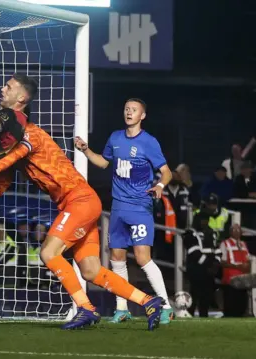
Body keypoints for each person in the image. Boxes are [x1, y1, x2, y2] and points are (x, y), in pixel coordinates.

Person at [0, 92, 164, 331]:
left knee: (48, 253)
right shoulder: (15, 147)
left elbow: (1, 164)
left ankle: (86, 308)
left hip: (79, 201)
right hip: (81, 202)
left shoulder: (30, 135)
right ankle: (149, 301)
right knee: (91, 270)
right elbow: (1, 184)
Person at [74, 98, 174, 324]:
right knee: (117, 258)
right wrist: (85, 150)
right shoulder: (115, 137)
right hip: (118, 206)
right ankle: (122, 309)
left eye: (134, 110)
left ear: (142, 116)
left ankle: (166, 305)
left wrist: (159, 186)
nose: (129, 113)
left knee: (142, 258)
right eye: (127, 109)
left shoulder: (149, 142)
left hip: (140, 207)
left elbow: (166, 171)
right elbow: (103, 162)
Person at [184, 212, 221, 318]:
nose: (205, 222)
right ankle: (189, 315)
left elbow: (217, 249)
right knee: (194, 294)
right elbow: (193, 252)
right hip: (196, 269)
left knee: (207, 295)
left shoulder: (212, 232)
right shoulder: (190, 233)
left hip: (209, 270)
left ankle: (204, 316)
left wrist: (216, 263)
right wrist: (208, 264)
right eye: (203, 219)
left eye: (207, 219)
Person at [220, 224, 251, 317]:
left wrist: (247, 266)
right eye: (234, 230)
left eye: (238, 230)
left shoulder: (243, 244)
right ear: (230, 232)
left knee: (242, 303)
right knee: (231, 303)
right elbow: (222, 262)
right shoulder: (225, 243)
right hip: (231, 278)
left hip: (243, 278)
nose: (237, 232)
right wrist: (238, 267)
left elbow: (248, 259)